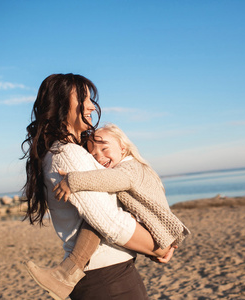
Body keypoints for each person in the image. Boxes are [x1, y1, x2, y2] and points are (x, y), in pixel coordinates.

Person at [22, 74, 176, 300]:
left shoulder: (72, 152)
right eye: (83, 98)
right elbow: (111, 221)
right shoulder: (67, 154)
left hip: (106, 276)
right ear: (61, 104)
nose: (92, 106)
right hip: (107, 280)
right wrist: (158, 248)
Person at [28, 123, 190, 297]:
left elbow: (115, 179)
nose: (99, 156)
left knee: (96, 219)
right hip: (149, 231)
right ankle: (66, 272)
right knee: (97, 218)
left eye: (105, 148)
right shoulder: (126, 166)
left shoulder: (131, 168)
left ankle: (67, 272)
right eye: (93, 154)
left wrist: (73, 181)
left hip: (156, 228)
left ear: (123, 147)